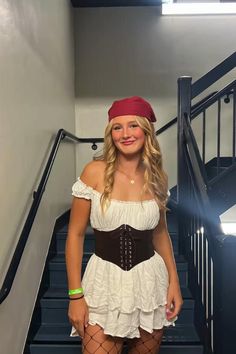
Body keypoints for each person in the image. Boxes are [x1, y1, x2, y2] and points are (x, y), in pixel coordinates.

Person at [65, 96, 183, 354]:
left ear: (146, 131)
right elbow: (74, 234)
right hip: (104, 284)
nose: (125, 134)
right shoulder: (94, 172)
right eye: (117, 127)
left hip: (150, 283)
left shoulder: (158, 178)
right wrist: (75, 295)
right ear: (111, 134)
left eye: (133, 125)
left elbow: (160, 234)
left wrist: (174, 282)